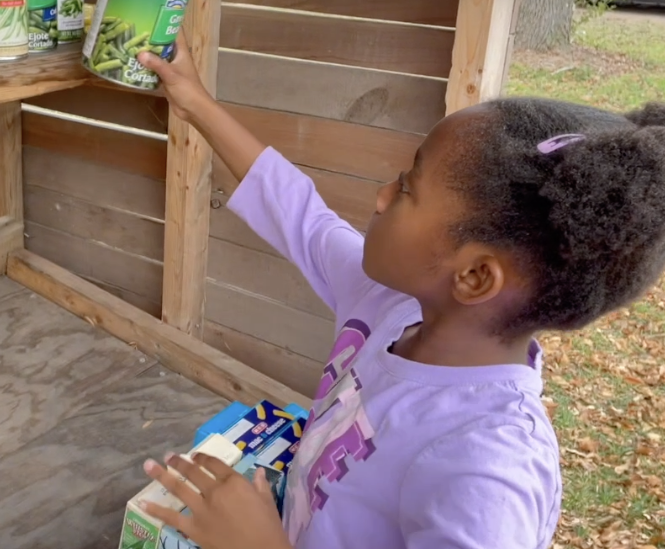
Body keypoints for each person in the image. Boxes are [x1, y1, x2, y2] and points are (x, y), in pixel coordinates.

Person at [132, 30, 665, 549]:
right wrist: (193, 101)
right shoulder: (392, 306)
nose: (382, 196)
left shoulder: (487, 471)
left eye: (408, 186)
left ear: (475, 276)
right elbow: (300, 213)